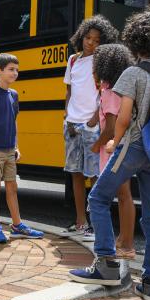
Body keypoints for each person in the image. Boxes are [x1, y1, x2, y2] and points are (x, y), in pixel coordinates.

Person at [70, 6, 150, 300]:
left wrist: (112, 142)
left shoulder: (133, 72)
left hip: (135, 147)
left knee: (98, 198)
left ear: (135, 39)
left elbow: (125, 117)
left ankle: (105, 265)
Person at [0, 53, 44, 243]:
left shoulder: (14, 95)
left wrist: (16, 146)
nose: (15, 73)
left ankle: (17, 225)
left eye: (17, 70)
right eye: (11, 69)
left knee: (12, 186)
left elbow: (13, 121)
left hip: (10, 149)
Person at [61, 16, 119, 242]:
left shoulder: (102, 61)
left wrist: (94, 120)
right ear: (81, 36)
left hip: (92, 125)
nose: (91, 43)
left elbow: (104, 94)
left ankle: (96, 225)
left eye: (96, 40)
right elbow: (69, 91)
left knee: (95, 176)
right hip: (73, 124)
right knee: (75, 174)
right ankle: (80, 222)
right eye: (87, 38)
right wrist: (68, 116)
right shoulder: (73, 60)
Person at [89, 43, 136, 260]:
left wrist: (96, 144)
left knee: (117, 196)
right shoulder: (123, 88)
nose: (93, 70)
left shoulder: (109, 91)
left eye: (95, 65)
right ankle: (124, 241)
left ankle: (124, 244)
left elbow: (110, 127)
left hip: (111, 151)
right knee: (125, 196)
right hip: (125, 148)